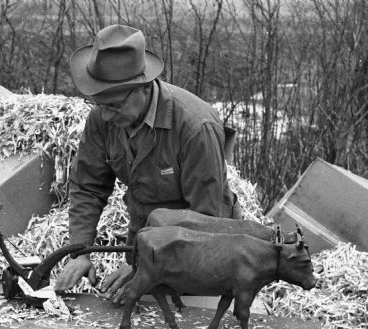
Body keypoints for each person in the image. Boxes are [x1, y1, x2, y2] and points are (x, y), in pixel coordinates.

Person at [54, 24, 241, 300]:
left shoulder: (195, 128)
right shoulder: (103, 117)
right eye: (99, 105)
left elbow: (205, 221)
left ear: (143, 88)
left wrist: (142, 266)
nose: (105, 117)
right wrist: (80, 251)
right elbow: (87, 186)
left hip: (205, 252)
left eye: (114, 106)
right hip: (144, 242)